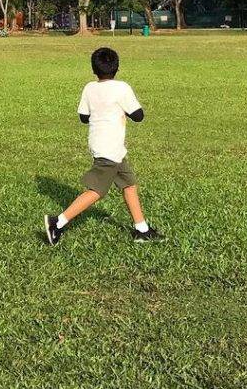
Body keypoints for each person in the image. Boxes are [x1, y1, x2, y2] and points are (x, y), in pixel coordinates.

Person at [44, 46, 164, 245]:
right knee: (97, 191)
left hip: (105, 145)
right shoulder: (122, 88)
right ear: (117, 68)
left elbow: (83, 117)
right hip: (110, 149)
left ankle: (141, 230)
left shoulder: (89, 88)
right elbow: (138, 116)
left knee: (129, 184)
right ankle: (58, 223)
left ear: (94, 69)